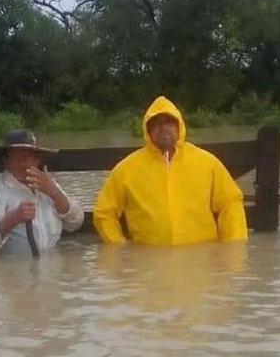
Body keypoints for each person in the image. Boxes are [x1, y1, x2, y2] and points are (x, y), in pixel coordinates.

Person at [93, 95, 248, 245]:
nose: (163, 127)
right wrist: (120, 247)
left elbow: (230, 202)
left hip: (201, 261)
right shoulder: (126, 169)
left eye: (169, 122)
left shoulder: (207, 162)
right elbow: (104, 213)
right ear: (147, 129)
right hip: (149, 263)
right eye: (156, 123)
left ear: (179, 125)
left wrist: (232, 248)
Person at [0, 129, 84, 254]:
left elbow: (76, 222)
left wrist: (54, 193)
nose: (23, 163)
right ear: (5, 160)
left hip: (52, 265)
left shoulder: (49, 183)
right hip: (11, 269)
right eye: (17, 157)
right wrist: (12, 219)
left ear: (38, 160)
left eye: (28, 157)